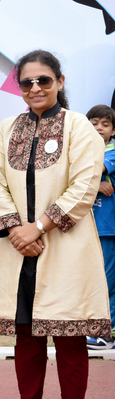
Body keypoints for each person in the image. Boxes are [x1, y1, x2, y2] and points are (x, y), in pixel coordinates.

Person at [0, 50, 109, 399]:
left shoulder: (79, 127)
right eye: (27, 82)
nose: (35, 88)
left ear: (60, 81)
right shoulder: (7, 128)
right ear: (19, 86)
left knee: (70, 338)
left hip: (67, 247)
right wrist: (16, 231)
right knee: (26, 337)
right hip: (19, 250)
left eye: (44, 80)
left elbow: (84, 185)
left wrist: (37, 227)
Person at [85, 104, 115, 349]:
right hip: (85, 227)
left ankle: (107, 333)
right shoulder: (81, 150)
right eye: (94, 123)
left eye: (105, 124)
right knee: (91, 279)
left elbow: (95, 169)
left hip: (107, 228)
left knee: (107, 280)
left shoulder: (112, 150)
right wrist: (95, 185)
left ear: (113, 131)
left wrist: (91, 182)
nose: (99, 128)